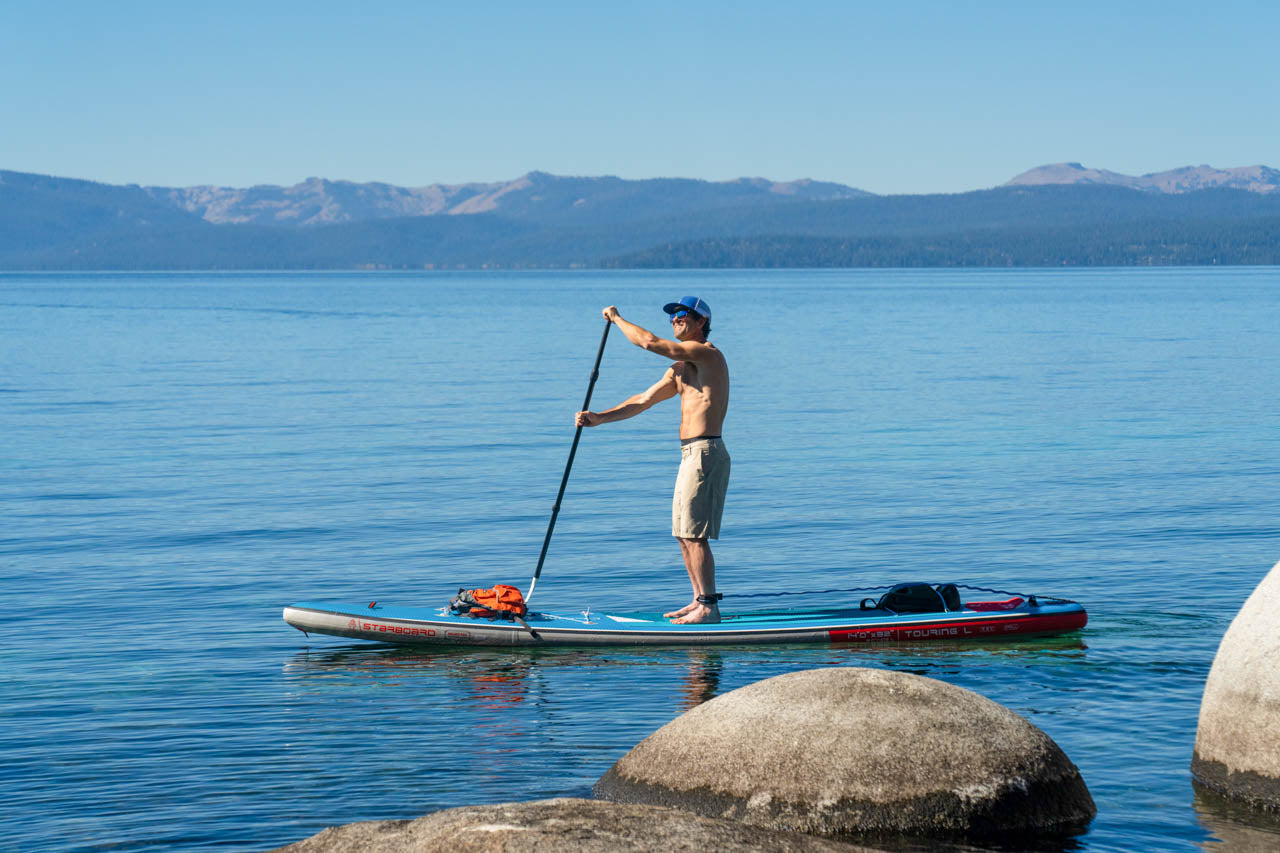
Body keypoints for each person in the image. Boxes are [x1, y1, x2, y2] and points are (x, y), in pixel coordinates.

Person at [575, 297, 730, 624]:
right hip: (689, 454)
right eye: (672, 316)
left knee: (694, 534)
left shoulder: (707, 355)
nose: (674, 319)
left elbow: (648, 342)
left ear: (701, 321)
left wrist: (616, 319)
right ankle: (698, 599)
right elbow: (642, 401)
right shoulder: (679, 369)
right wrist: (600, 418)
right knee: (681, 532)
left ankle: (709, 607)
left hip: (706, 452)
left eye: (682, 315)